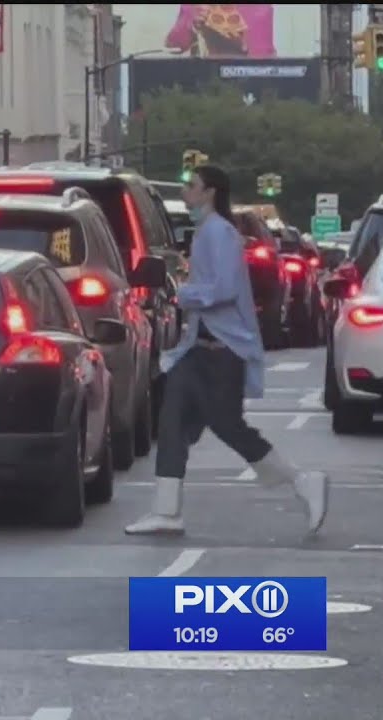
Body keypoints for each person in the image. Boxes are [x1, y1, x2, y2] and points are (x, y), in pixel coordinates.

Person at [125, 165, 328, 536]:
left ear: (211, 192)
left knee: (227, 425)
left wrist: (182, 293)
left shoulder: (219, 234)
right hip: (199, 348)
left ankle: (303, 482)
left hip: (222, 350)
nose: (186, 193)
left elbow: (224, 289)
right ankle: (167, 510)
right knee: (171, 421)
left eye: (192, 187)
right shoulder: (208, 232)